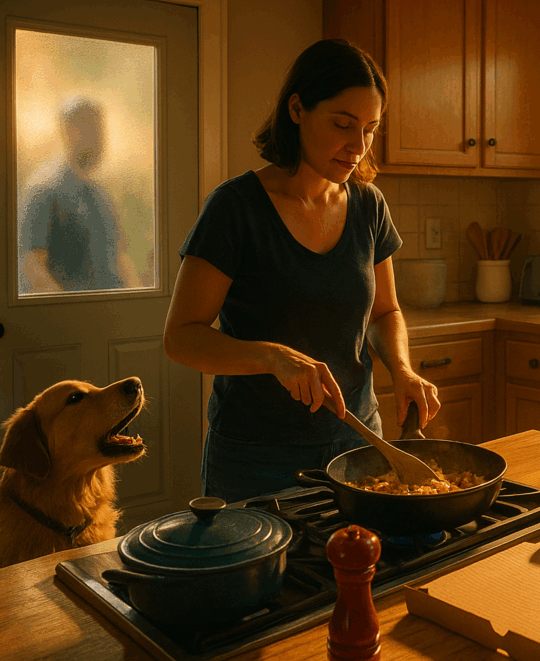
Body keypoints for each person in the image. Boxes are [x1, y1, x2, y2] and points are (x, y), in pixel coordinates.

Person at [163, 39, 441, 503]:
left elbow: (384, 314)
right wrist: (274, 357)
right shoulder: (235, 209)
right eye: (342, 124)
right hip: (256, 455)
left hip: (358, 441)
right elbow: (181, 337)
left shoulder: (369, 206)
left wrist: (404, 370)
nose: (358, 145)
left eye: (370, 129)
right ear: (297, 109)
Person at [18, 96, 136, 293]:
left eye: (99, 130)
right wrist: (70, 313)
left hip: (112, 314)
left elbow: (118, 260)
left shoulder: (99, 195)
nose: (97, 139)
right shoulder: (44, 190)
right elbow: (32, 266)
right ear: (67, 132)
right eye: (87, 128)